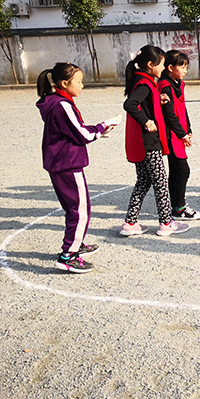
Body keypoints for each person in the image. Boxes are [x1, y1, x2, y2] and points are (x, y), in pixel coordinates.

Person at [36, 62, 120, 273]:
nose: (82, 85)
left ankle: (77, 242)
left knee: (75, 207)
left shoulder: (56, 101)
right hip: (68, 164)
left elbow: (75, 130)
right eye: (79, 82)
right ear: (64, 83)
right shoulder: (62, 105)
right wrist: (102, 127)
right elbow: (82, 135)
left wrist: (98, 129)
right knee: (80, 210)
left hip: (60, 162)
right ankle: (68, 255)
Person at [121, 45, 190, 237]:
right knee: (160, 182)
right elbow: (130, 104)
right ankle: (166, 223)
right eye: (161, 64)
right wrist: (146, 121)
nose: (163, 68)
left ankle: (130, 222)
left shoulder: (144, 82)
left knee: (143, 181)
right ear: (150, 65)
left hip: (145, 142)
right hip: (149, 142)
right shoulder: (144, 84)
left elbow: (141, 102)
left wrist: (157, 100)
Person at [159, 50, 200, 220]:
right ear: (170, 67)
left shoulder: (179, 84)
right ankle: (179, 207)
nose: (185, 70)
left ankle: (176, 205)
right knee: (182, 170)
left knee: (177, 170)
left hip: (179, 133)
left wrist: (188, 129)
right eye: (182, 67)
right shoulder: (164, 85)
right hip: (171, 134)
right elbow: (169, 115)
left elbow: (182, 108)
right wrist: (181, 133)